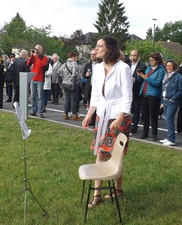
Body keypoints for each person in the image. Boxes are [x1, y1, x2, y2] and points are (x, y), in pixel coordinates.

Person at [81, 36, 132, 208]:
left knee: (115, 157)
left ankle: (118, 190)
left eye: (99, 46)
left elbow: (127, 96)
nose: (95, 49)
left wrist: (120, 117)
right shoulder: (96, 68)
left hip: (119, 117)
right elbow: (95, 95)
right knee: (101, 154)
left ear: (109, 48)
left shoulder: (123, 68)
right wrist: (89, 115)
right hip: (101, 116)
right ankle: (97, 195)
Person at [137, 53, 165, 141]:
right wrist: (140, 76)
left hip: (153, 95)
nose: (151, 62)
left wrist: (146, 78)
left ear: (157, 60)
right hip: (144, 93)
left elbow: (157, 83)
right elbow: (143, 81)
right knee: (145, 115)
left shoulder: (161, 70)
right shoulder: (148, 68)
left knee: (153, 115)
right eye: (150, 60)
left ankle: (154, 134)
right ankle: (145, 133)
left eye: (152, 60)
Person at [160, 60, 182, 146]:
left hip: (172, 101)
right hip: (165, 100)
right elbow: (163, 89)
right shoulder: (165, 75)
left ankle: (171, 139)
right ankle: (169, 137)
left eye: (170, 66)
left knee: (169, 119)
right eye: (167, 66)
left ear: (174, 66)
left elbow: (181, 90)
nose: (168, 67)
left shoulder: (179, 77)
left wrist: (173, 99)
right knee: (167, 120)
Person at [58, 52, 83, 121]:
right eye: (76, 57)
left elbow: (58, 72)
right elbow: (74, 75)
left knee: (67, 99)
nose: (77, 59)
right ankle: (74, 115)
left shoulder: (64, 64)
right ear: (73, 57)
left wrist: (60, 83)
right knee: (73, 100)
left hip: (65, 84)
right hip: (72, 84)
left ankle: (65, 114)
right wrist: (74, 85)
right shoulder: (74, 64)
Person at [26, 44, 49, 117]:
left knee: (40, 96)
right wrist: (32, 55)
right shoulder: (34, 57)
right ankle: (33, 110)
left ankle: (40, 112)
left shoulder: (44, 58)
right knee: (33, 96)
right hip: (33, 78)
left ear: (41, 50)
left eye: (38, 49)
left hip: (40, 79)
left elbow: (41, 65)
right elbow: (28, 64)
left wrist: (36, 56)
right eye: (36, 49)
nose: (36, 50)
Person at [128, 49, 147, 134]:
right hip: (128, 90)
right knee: (128, 109)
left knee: (136, 109)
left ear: (138, 56)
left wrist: (134, 79)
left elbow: (142, 79)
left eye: (135, 55)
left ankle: (134, 126)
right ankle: (128, 124)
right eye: (132, 55)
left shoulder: (142, 66)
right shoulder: (127, 65)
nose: (133, 57)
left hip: (137, 91)